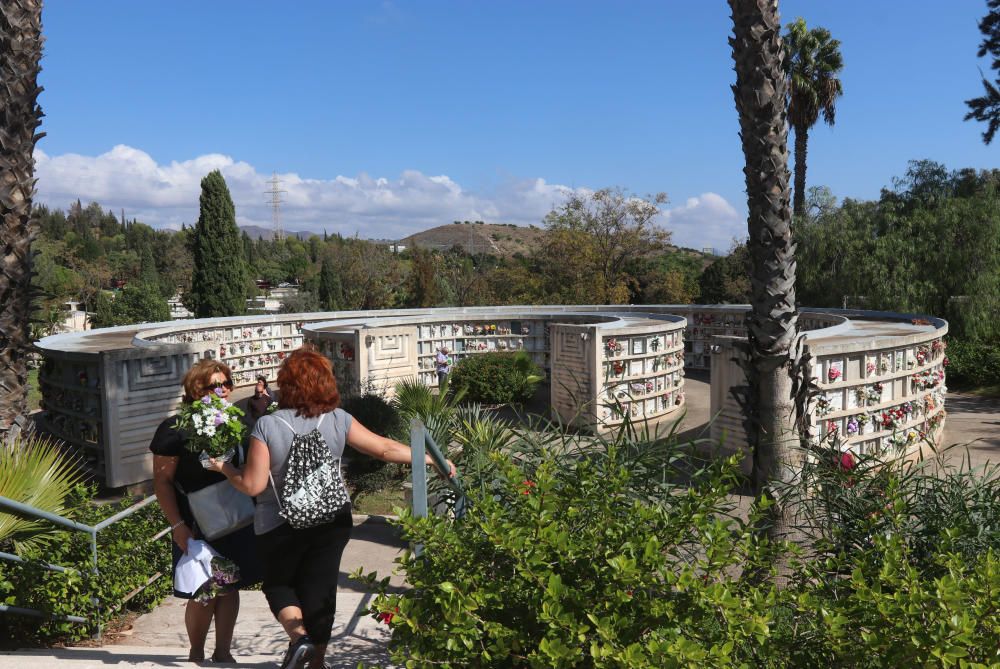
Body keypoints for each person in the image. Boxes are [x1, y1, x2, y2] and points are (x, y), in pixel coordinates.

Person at [205, 349, 456, 669]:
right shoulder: (339, 419)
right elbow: (385, 448)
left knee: (279, 585)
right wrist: (432, 458)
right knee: (319, 588)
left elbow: (253, 485)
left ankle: (300, 641)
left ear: (287, 384)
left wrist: (224, 468)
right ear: (326, 384)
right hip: (331, 519)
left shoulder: (268, 425)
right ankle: (317, 663)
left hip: (280, 523)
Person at [149, 359, 262, 665]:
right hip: (197, 523)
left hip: (236, 518)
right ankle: (197, 652)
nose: (224, 390)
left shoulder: (237, 421)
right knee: (207, 589)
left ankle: (223, 652)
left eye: (228, 383)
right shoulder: (174, 429)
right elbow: (162, 481)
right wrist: (177, 525)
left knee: (230, 586)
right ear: (196, 388)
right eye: (216, 385)